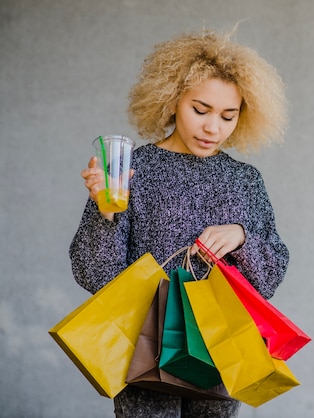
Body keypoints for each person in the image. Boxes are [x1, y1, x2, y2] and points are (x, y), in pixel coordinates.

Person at [69, 28, 290, 418]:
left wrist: (242, 238)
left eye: (228, 115)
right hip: (145, 343)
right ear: (172, 100)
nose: (213, 128)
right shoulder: (132, 170)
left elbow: (270, 277)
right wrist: (105, 213)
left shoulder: (245, 180)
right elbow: (96, 277)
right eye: (200, 110)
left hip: (218, 345)